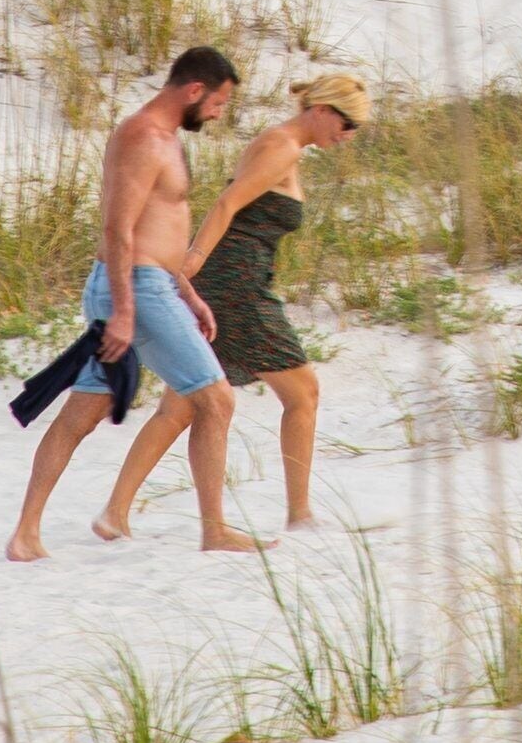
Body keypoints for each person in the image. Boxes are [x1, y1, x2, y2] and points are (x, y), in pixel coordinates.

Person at [7, 45, 259, 559]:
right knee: (216, 398)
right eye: (217, 102)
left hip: (153, 286)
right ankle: (215, 529)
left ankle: (26, 534)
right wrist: (124, 310)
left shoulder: (164, 139)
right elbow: (117, 229)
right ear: (195, 90)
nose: (217, 113)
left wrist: (187, 292)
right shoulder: (143, 137)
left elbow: (155, 229)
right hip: (135, 289)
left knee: (84, 412)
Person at [93, 73, 369, 538]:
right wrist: (192, 264)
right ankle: (300, 515)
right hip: (238, 288)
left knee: (181, 406)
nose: (347, 136)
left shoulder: (284, 146)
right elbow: (226, 205)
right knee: (303, 393)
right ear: (323, 110)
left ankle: (114, 513)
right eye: (347, 124)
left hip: (235, 282)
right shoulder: (281, 146)